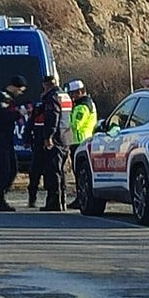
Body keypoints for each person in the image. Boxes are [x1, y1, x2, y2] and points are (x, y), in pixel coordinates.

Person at [0, 76, 27, 212]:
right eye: (20, 90)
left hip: (6, 139)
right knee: (4, 169)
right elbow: (1, 116)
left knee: (13, 169)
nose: (20, 93)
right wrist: (18, 114)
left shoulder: (7, 98)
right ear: (14, 87)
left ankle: (0, 194)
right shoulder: (1, 98)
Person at [32, 75, 69, 212]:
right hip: (65, 137)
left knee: (53, 171)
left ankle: (54, 202)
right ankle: (62, 200)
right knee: (60, 171)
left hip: (56, 138)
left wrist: (48, 136)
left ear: (46, 85)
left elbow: (53, 117)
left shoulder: (51, 97)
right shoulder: (64, 95)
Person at [65, 79, 97, 210]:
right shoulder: (86, 104)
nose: (72, 97)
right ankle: (80, 197)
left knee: (80, 173)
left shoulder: (82, 106)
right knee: (79, 173)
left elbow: (76, 125)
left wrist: (65, 125)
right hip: (82, 141)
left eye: (73, 94)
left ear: (79, 92)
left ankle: (81, 198)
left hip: (80, 141)